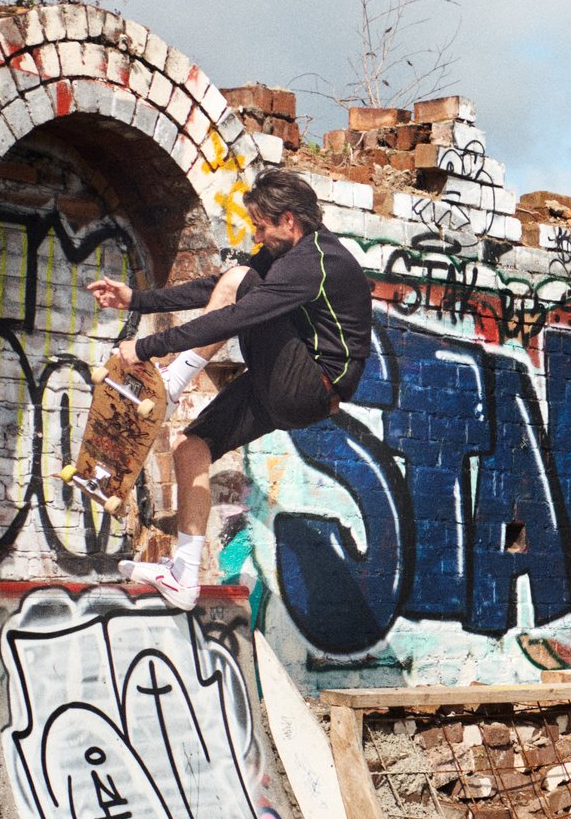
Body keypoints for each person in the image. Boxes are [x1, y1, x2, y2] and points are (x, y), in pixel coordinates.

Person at [87, 168, 370, 609]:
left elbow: (235, 313)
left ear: (289, 221)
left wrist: (147, 346)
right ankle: (183, 574)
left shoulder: (314, 261)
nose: (259, 235)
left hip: (309, 383)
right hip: (286, 387)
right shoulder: (285, 256)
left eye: (262, 226)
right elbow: (210, 287)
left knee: (240, 283)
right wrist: (137, 299)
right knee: (190, 447)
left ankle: (174, 379)